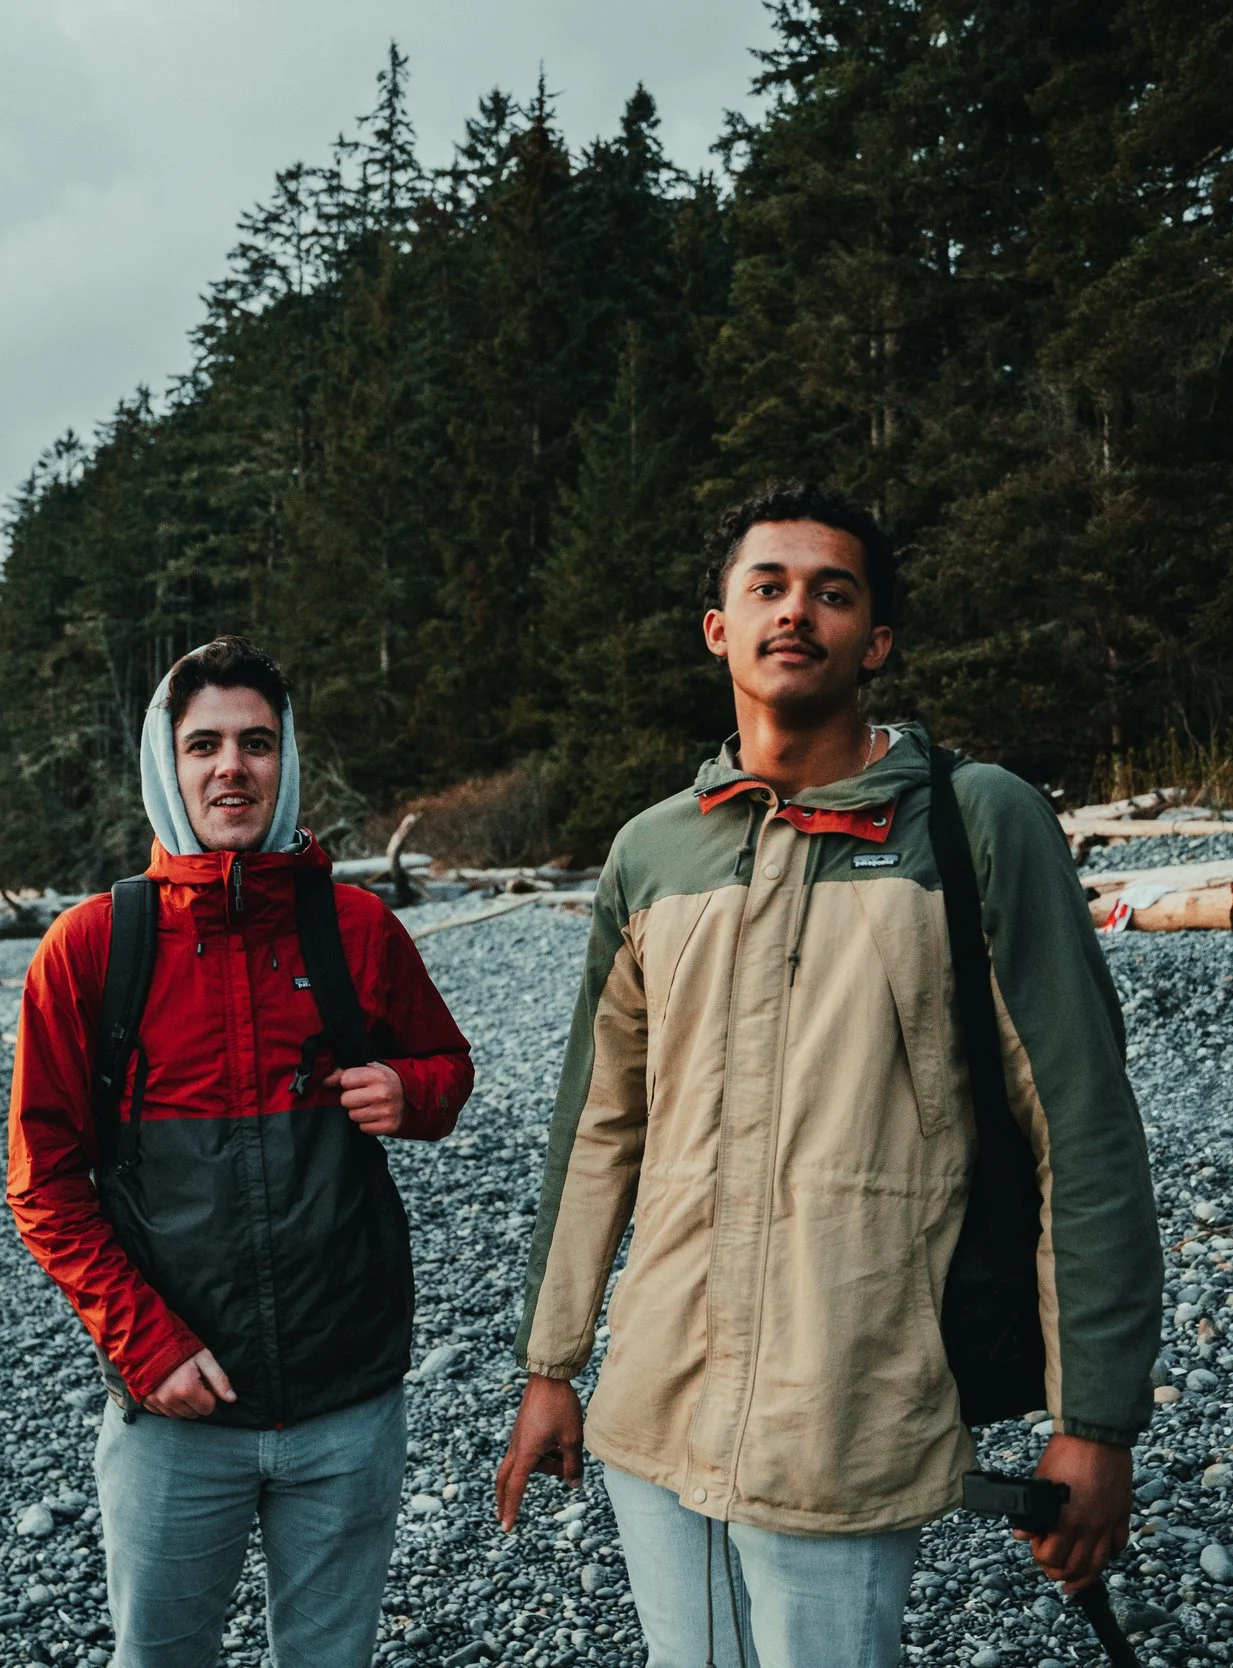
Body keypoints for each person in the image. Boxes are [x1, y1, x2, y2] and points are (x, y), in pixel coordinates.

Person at [494, 483, 1162, 1667]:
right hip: (655, 1397)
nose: (794, 611)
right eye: (767, 587)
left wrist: (1094, 1422)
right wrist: (552, 1367)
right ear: (719, 629)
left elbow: (1082, 1128)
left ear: (876, 641)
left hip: (845, 1407)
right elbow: (597, 1126)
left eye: (831, 592)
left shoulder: (977, 822)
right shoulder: (652, 850)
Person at [7, 636, 475, 1668]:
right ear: (165, 765)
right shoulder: (91, 949)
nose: (232, 767)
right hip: (174, 1412)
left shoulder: (356, 930)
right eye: (204, 744)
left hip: (348, 1403)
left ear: (286, 759)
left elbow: (447, 1066)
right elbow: (44, 1185)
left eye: (256, 743)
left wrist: (412, 1093)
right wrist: (148, 1349)